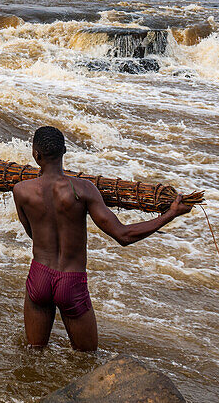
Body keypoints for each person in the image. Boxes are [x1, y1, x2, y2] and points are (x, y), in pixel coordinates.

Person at [12, 126, 201, 351]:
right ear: (64, 150)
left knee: (34, 354)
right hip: (71, 282)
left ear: (35, 155)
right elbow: (124, 235)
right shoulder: (84, 189)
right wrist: (170, 214)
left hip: (39, 276)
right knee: (87, 359)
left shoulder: (21, 191)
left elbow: (32, 233)